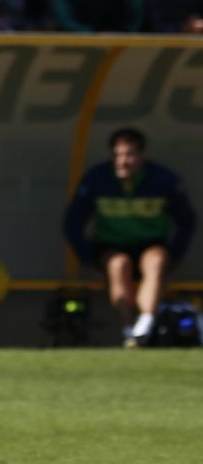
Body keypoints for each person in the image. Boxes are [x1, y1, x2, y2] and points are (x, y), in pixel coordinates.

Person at [63, 128, 194, 347]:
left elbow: (187, 220)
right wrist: (87, 259)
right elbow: (72, 223)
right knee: (118, 264)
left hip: (150, 244)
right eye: (117, 155)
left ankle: (145, 323)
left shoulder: (163, 180)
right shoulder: (97, 179)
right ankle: (129, 331)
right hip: (112, 246)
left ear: (142, 156)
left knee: (156, 261)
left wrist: (177, 256)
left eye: (129, 155)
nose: (122, 162)